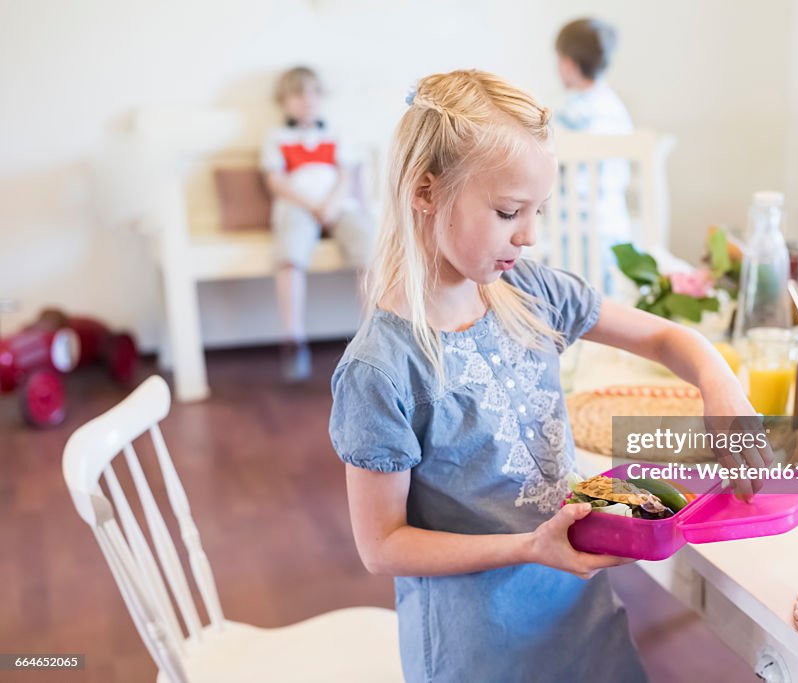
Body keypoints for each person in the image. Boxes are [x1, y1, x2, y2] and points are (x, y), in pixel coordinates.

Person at [328, 70, 768, 683]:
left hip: (579, 615)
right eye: (509, 212)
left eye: (539, 210)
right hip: (480, 645)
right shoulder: (382, 369)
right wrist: (529, 547)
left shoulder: (527, 291)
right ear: (425, 191)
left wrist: (717, 384)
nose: (530, 235)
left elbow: (670, 337)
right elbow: (383, 546)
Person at [261, 66, 372, 381]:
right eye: (298, 94)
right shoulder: (277, 138)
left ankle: (373, 332)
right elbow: (275, 180)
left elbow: (346, 175)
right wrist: (311, 206)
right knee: (289, 255)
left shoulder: (336, 134)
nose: (307, 100)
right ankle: (293, 338)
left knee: (367, 247)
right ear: (284, 101)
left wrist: (331, 204)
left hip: (337, 204)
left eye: (313, 93)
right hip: (298, 206)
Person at [554, 18, 634, 291]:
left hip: (570, 236)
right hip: (614, 229)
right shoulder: (616, 108)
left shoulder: (568, 112)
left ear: (567, 63)